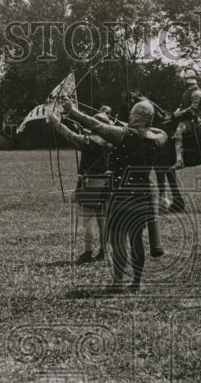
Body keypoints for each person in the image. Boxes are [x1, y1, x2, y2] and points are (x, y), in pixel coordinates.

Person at [63, 97, 166, 292]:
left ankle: (118, 281)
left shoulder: (123, 135)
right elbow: (161, 132)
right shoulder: (157, 140)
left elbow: (95, 125)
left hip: (122, 194)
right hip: (143, 193)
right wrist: (135, 126)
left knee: (118, 237)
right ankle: (136, 282)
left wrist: (73, 111)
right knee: (136, 238)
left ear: (135, 116)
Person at [48, 104, 113, 263]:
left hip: (89, 183)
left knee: (88, 220)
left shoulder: (87, 143)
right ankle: (104, 252)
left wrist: (55, 120)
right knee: (103, 219)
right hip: (107, 183)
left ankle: (88, 252)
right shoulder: (111, 142)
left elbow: (68, 135)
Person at [171, 67, 201, 170]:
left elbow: (193, 108)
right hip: (184, 118)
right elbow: (183, 105)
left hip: (192, 119)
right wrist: (177, 110)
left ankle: (180, 161)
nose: (182, 81)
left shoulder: (196, 92)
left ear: (187, 80)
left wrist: (179, 113)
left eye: (183, 79)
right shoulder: (187, 91)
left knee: (178, 133)